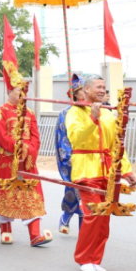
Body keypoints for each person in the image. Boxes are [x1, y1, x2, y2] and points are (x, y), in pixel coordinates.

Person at [66, 76, 136, 271]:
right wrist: (92, 119)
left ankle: (96, 258)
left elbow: (117, 145)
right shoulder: (75, 111)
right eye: (98, 87)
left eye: (104, 87)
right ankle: (84, 258)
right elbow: (76, 138)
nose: (102, 90)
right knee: (92, 215)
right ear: (86, 89)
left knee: (105, 216)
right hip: (86, 170)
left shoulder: (108, 113)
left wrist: (127, 169)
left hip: (108, 171)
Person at [0, 65, 51, 247]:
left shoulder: (30, 113)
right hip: (8, 161)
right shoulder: (0, 112)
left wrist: (28, 150)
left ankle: (35, 235)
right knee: (7, 194)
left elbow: (35, 137)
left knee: (31, 194)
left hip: (28, 162)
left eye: (25, 90)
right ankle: (6, 230)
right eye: (20, 90)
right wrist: (17, 148)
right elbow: (1, 137)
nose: (23, 94)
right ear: (10, 91)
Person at [55, 74, 86, 235]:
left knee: (87, 196)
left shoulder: (93, 112)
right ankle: (67, 215)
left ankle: (75, 223)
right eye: (82, 91)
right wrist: (69, 157)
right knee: (74, 191)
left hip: (90, 161)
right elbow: (63, 138)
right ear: (75, 94)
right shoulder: (66, 113)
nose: (85, 94)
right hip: (73, 159)